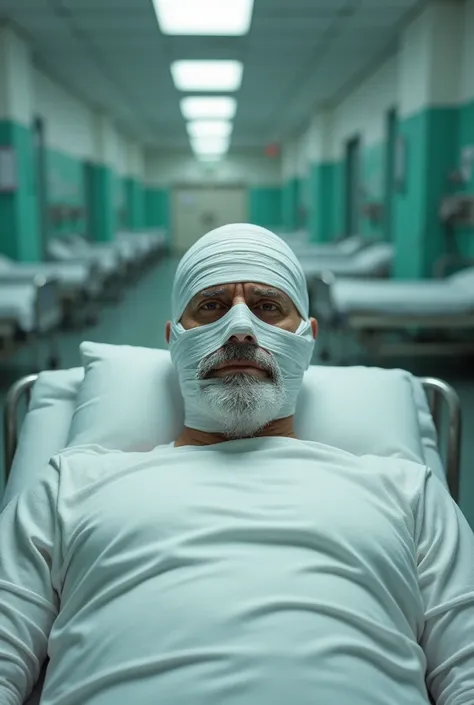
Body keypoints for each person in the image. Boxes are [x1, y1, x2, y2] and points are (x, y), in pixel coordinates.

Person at [0, 223, 473, 705]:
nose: (242, 328)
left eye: (269, 307)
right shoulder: (70, 487)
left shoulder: (408, 492)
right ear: (173, 339)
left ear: (307, 340)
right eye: (211, 306)